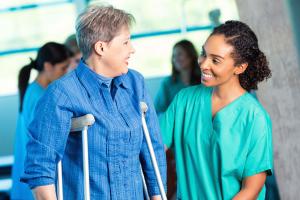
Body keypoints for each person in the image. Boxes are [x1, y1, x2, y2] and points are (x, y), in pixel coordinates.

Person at [21, 5, 166, 200]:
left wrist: (158, 197)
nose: (132, 49)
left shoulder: (135, 83)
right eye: (125, 42)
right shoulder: (61, 94)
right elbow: (40, 169)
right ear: (101, 48)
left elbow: (152, 150)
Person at [160, 20, 273, 199]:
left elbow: (251, 189)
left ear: (240, 67)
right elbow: (154, 146)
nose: (204, 64)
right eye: (203, 54)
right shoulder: (184, 100)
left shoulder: (254, 117)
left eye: (215, 60)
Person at [10, 42, 71, 200]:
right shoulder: (40, 97)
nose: (65, 73)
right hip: (34, 179)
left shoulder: (34, 90)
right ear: (48, 66)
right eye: (63, 68)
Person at [154, 39, 201, 114]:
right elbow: (158, 111)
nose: (176, 59)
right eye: (174, 56)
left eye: (179, 54)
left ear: (190, 55)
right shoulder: (167, 83)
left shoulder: (203, 81)